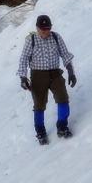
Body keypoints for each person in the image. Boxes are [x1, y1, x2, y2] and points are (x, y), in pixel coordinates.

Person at [17, 15, 77, 145]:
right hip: (38, 75)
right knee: (39, 104)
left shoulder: (56, 37)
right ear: (37, 28)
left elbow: (65, 54)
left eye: (48, 28)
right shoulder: (31, 40)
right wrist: (23, 77)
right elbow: (24, 59)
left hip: (55, 73)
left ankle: (62, 126)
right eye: (43, 29)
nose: (46, 31)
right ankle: (40, 131)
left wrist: (71, 72)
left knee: (63, 99)